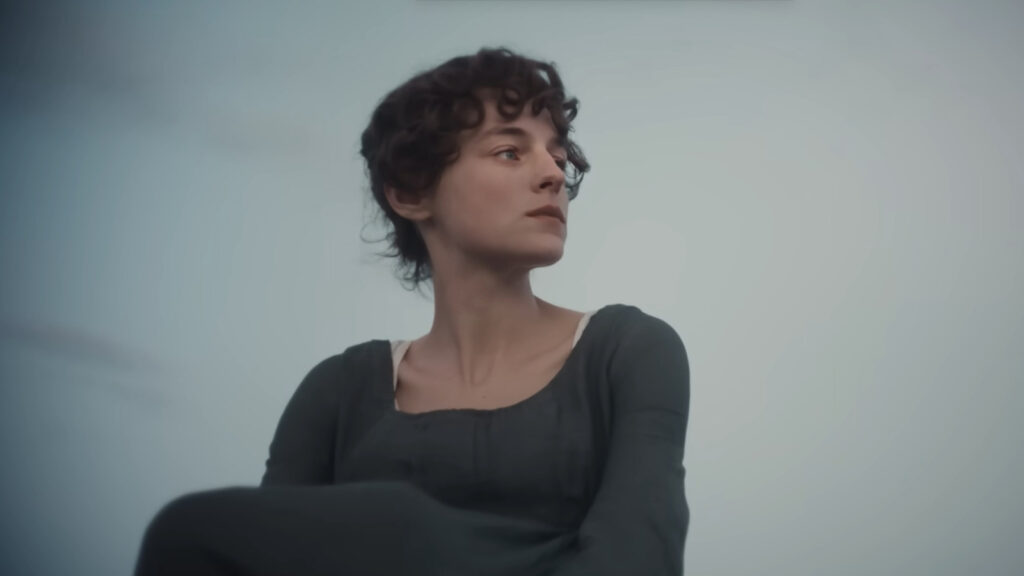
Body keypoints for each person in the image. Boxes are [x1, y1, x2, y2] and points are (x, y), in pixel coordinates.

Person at [134, 46, 691, 576]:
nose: (552, 174)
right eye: (509, 152)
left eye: (558, 155)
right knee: (189, 531)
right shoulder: (338, 393)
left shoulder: (627, 352)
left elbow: (639, 560)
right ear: (410, 192)